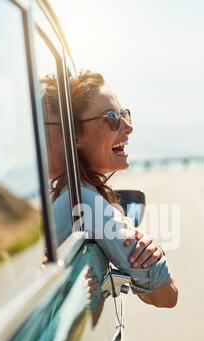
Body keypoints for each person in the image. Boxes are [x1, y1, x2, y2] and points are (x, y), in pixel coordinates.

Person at [42, 72, 178, 308]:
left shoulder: (67, 194)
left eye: (125, 114)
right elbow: (167, 296)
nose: (128, 127)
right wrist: (153, 254)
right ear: (75, 137)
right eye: (112, 118)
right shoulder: (85, 202)